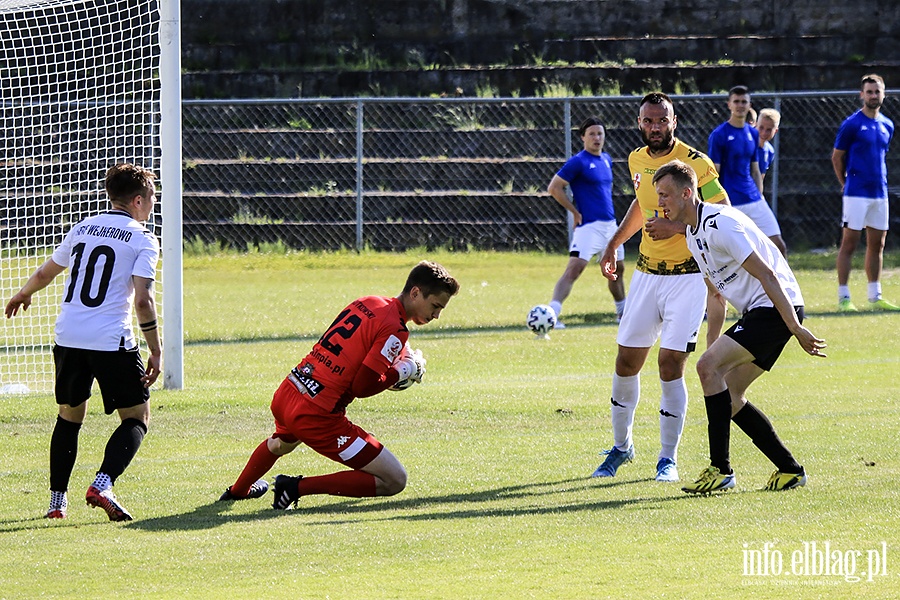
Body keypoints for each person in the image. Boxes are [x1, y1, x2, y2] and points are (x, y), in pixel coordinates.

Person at [219, 261, 459, 509]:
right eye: (435, 306)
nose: (437, 315)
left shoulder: (370, 301)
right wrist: (404, 370)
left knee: (280, 443)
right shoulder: (395, 329)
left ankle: (238, 491)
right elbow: (362, 387)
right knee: (395, 479)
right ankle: (293, 488)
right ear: (416, 292)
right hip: (317, 416)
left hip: (290, 390)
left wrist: (395, 363)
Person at [651, 160, 826, 493]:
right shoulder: (692, 235)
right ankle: (790, 470)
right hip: (763, 312)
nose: (660, 203)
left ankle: (721, 470)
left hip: (775, 308)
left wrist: (795, 326)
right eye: (659, 195)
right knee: (728, 394)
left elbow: (768, 275)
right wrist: (712, 347)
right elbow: (716, 295)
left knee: (711, 373)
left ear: (687, 193)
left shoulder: (721, 225)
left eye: (665, 195)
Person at [4, 164, 162, 521]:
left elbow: (47, 272)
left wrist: (23, 293)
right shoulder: (142, 238)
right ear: (138, 200)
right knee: (137, 417)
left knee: (69, 416)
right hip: (110, 339)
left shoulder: (83, 227)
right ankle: (103, 483)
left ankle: (56, 503)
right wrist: (155, 349)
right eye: (152, 197)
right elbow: (142, 301)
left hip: (69, 335)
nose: (153, 203)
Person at [593, 92, 730, 483]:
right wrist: (615, 242)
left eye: (662, 120)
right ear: (640, 123)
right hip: (646, 275)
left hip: (687, 278)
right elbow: (641, 204)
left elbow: (723, 212)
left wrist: (678, 227)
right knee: (626, 361)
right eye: (649, 121)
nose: (655, 127)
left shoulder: (696, 162)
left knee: (671, 364)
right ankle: (621, 448)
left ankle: (667, 459)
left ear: (674, 120)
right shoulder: (636, 159)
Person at [546, 116, 626, 326]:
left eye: (600, 133)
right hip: (588, 227)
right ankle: (552, 314)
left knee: (617, 270)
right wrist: (574, 212)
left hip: (610, 226)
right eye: (591, 134)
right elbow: (554, 187)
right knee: (575, 269)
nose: (596, 138)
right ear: (583, 137)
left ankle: (623, 313)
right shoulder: (578, 161)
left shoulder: (607, 159)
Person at [831, 73, 899, 312]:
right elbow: (837, 157)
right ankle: (844, 297)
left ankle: (875, 295)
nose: (873, 95)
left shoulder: (887, 124)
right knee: (849, 243)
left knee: (877, 244)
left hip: (879, 193)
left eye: (877, 91)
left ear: (883, 94)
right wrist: (845, 184)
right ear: (862, 95)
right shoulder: (851, 124)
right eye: (869, 92)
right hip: (856, 193)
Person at [707, 85, 787, 256]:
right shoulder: (719, 134)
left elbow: (756, 171)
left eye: (744, 101)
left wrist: (760, 195)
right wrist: (717, 204)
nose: (740, 105)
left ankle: (785, 283)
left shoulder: (753, 133)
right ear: (729, 104)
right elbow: (714, 173)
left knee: (778, 246)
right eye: (736, 101)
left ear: (749, 105)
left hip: (754, 200)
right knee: (735, 255)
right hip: (731, 202)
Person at [755, 108, 781, 181]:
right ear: (756, 125)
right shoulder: (744, 145)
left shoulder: (770, 152)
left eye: (769, 130)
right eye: (761, 128)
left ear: (775, 131)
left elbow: (759, 179)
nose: (764, 133)